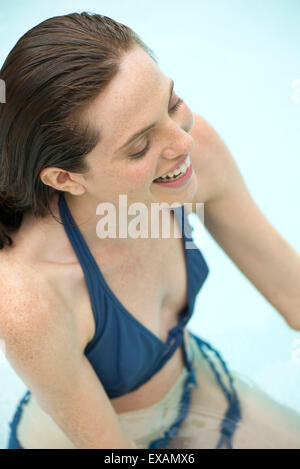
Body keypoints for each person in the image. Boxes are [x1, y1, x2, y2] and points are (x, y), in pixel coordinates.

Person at [0, 12, 299, 450]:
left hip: (191, 383)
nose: (182, 143)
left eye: (172, 103)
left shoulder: (193, 158)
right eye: (140, 147)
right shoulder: (30, 299)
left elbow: (294, 296)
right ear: (66, 179)